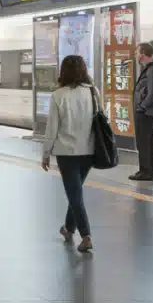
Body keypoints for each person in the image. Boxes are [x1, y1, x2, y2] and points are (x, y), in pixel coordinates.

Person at [42, 55, 96, 253]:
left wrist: (46, 153)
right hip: (89, 151)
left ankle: (86, 235)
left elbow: (52, 129)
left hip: (67, 152)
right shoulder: (93, 92)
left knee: (75, 195)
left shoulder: (58, 95)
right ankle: (68, 228)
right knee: (76, 192)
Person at [132, 42, 153, 181]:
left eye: (137, 52)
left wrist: (142, 107)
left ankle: (146, 172)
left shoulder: (151, 70)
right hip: (148, 112)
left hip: (145, 113)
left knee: (144, 142)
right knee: (149, 142)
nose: (136, 55)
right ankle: (149, 171)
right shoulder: (150, 69)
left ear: (143, 54)